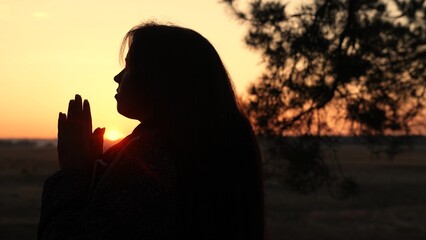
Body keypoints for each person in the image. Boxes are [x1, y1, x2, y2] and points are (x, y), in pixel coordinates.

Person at [38, 22, 265, 240]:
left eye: (129, 67)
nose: (117, 77)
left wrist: (73, 171)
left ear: (158, 79)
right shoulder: (211, 146)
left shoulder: (151, 159)